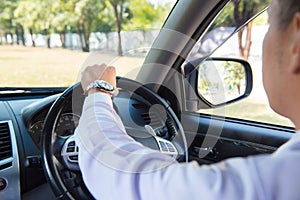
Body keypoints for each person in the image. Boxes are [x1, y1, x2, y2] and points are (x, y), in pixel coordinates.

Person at [75, 0, 300, 199]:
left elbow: (121, 175)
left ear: (296, 44)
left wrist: (98, 91)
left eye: (269, 25)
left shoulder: (276, 182)